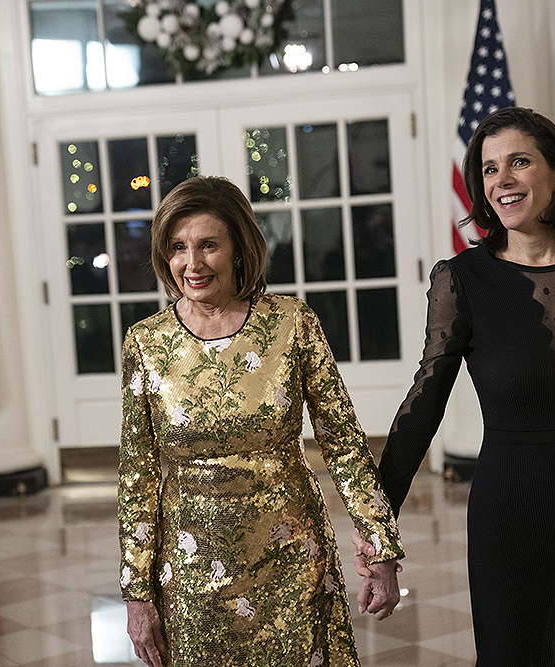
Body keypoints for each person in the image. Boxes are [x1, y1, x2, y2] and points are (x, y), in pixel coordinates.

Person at [353, 107, 555, 665]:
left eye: (519, 163)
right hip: (514, 519)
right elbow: (424, 404)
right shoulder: (462, 279)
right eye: (488, 169)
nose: (501, 180)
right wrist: (376, 526)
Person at [118, 175, 404, 667]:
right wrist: (136, 591)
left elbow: (343, 443)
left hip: (292, 558)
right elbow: (137, 474)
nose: (193, 263)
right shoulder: (146, 342)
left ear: (239, 248)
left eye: (209, 245)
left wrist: (379, 546)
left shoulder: (292, 322)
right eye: (179, 247)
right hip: (190, 573)